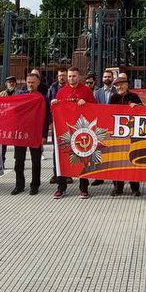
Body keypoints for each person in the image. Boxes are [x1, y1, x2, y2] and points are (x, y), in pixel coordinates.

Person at [51, 66, 94, 198]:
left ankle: (84, 188)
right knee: (63, 158)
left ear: (79, 76)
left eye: (73, 76)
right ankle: (61, 187)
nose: (71, 78)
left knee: (83, 159)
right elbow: (54, 112)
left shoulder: (86, 90)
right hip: (65, 131)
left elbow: (95, 107)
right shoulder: (61, 92)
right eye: (69, 76)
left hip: (81, 130)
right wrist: (54, 104)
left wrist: (86, 103)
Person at [12, 71, 50, 196]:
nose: (30, 85)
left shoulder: (43, 99)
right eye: (28, 82)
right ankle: (19, 185)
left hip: (36, 134)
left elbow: (46, 119)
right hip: (21, 133)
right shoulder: (19, 96)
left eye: (33, 83)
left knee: (36, 161)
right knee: (18, 161)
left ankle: (35, 185)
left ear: (38, 83)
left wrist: (44, 135)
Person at [107, 74, 142, 196]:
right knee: (117, 161)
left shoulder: (134, 97)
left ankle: (135, 187)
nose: (119, 87)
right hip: (116, 134)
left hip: (131, 134)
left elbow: (143, 112)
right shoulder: (113, 98)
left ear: (127, 85)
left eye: (121, 84)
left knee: (132, 160)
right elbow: (107, 114)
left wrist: (137, 107)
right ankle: (118, 187)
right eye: (117, 85)